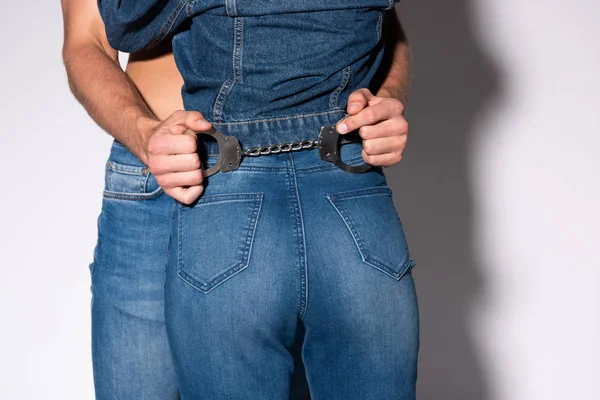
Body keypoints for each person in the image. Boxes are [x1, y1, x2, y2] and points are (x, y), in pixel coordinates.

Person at [61, 0, 415, 398]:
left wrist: (386, 100)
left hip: (298, 162)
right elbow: (86, 39)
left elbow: (382, 20)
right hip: (154, 175)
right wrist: (145, 137)